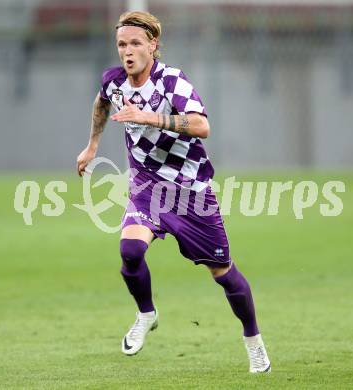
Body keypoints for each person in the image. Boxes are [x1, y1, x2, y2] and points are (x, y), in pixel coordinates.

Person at [76, 11, 271, 373]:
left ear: (153, 45)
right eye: (122, 44)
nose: (127, 51)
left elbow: (201, 125)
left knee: (224, 273)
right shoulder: (114, 82)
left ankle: (254, 341)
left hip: (191, 192)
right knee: (130, 250)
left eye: (135, 43)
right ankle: (146, 313)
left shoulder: (172, 81)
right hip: (147, 186)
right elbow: (102, 102)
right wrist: (92, 146)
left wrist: (151, 117)